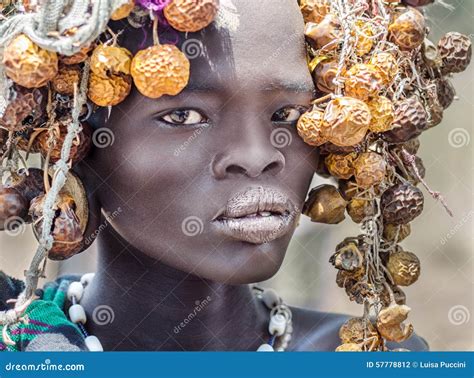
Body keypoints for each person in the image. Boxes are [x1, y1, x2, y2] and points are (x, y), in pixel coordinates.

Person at [0, 0, 428, 351]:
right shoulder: (23, 346)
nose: (258, 156)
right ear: (69, 144)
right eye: (184, 115)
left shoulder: (367, 356)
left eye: (286, 114)